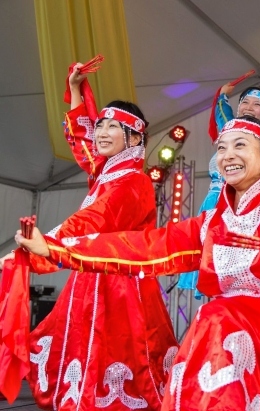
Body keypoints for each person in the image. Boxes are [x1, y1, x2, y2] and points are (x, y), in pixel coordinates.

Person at [18, 116, 260, 411]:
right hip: (223, 331)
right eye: (221, 148)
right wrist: (53, 248)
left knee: (216, 319)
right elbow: (142, 247)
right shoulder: (210, 224)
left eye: (240, 145)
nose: (227, 155)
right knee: (211, 322)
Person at [5, 63, 179, 410]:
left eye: (113, 126)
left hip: (121, 289)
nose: (101, 131)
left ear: (134, 139)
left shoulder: (134, 181)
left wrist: (44, 245)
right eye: (100, 123)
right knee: (83, 365)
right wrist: (75, 91)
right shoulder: (107, 173)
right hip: (90, 281)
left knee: (120, 368)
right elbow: (84, 142)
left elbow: (95, 219)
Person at [177, 85, 260, 297]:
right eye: (244, 102)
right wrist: (221, 94)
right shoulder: (230, 131)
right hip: (214, 203)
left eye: (257, 104)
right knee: (210, 271)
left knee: (234, 274)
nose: (249, 107)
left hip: (242, 207)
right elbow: (221, 113)